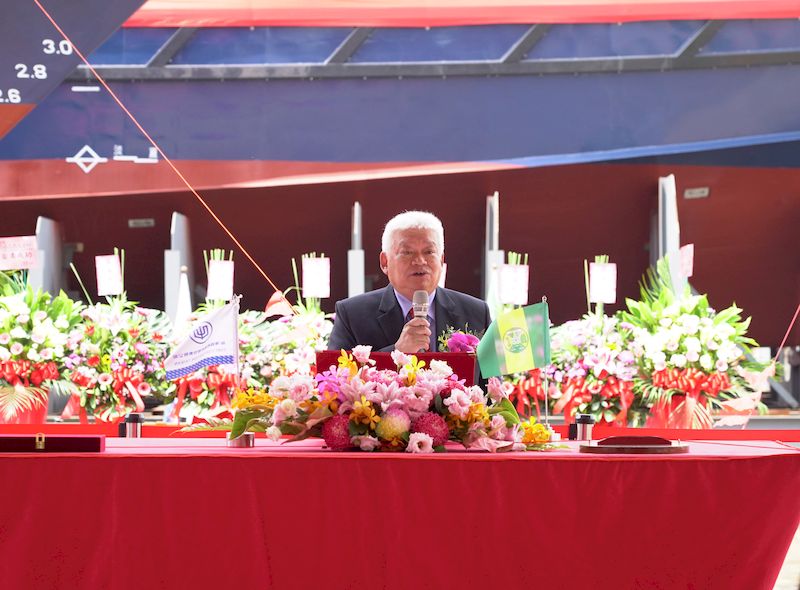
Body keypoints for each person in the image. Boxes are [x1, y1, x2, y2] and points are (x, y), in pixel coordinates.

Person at [328, 210, 491, 353]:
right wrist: (397, 352)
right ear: (385, 262)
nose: (420, 261)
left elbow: (493, 378)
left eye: (429, 252)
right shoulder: (352, 315)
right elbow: (335, 375)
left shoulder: (476, 313)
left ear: (441, 260)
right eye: (407, 252)